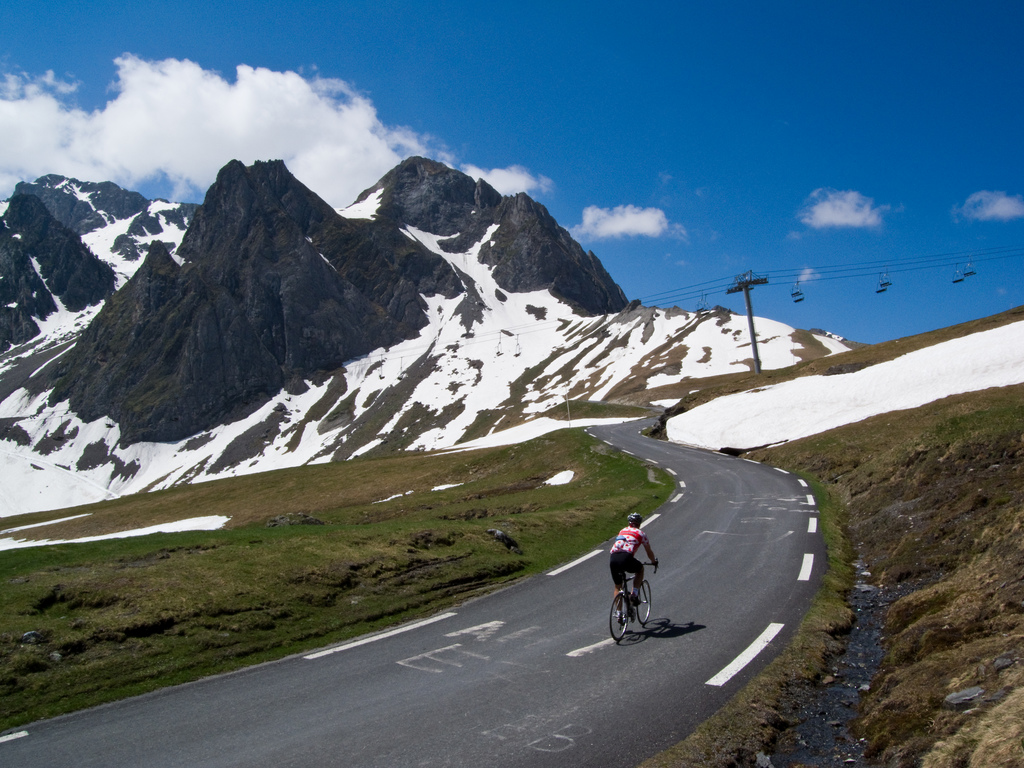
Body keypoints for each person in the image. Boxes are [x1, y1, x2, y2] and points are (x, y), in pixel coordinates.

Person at [609, 512, 657, 610]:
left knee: (618, 587)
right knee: (640, 570)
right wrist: (653, 561)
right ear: (639, 523)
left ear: (629, 523)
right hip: (626, 558)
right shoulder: (641, 534)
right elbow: (648, 551)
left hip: (613, 558)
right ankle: (634, 594)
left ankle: (619, 614)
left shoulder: (622, 530)